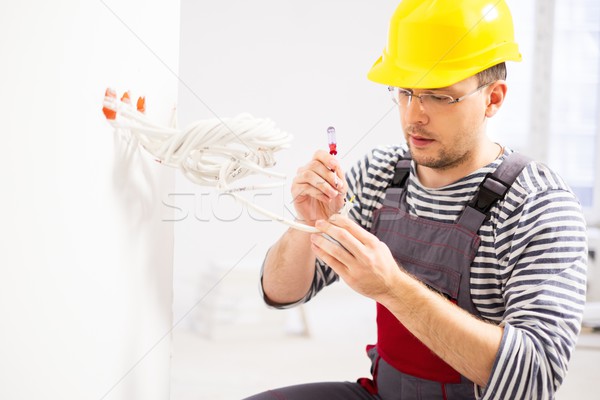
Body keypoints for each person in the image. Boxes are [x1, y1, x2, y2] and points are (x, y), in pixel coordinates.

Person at [243, 1, 588, 399]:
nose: (414, 116)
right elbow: (281, 294)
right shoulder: (380, 175)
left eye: (440, 96)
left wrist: (393, 288)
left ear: (493, 98)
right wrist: (304, 226)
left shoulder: (539, 206)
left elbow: (534, 378)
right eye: (406, 92)